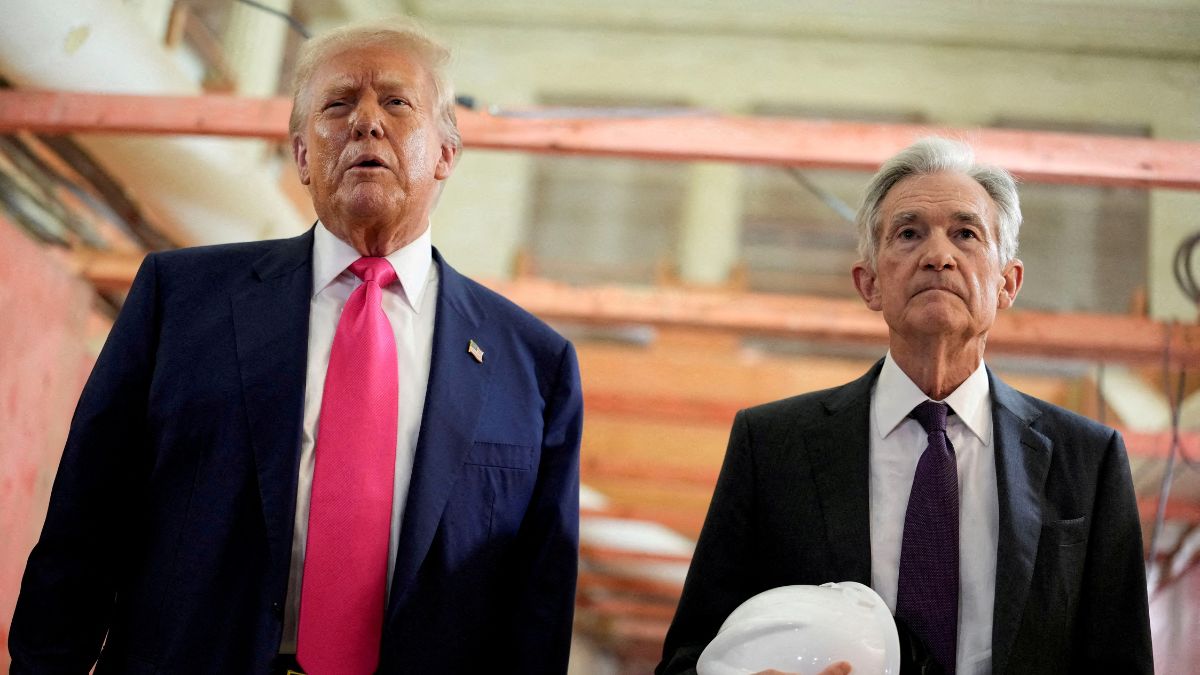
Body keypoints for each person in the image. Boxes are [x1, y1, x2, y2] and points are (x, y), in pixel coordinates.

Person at [10, 19, 583, 675]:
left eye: (396, 102)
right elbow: (86, 526)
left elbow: (537, 610)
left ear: (447, 151)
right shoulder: (180, 301)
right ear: (304, 155)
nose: (367, 123)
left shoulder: (534, 366)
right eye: (338, 104)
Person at [658, 137, 1152, 675]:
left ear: (1007, 283)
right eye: (909, 233)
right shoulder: (772, 444)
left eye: (965, 234)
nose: (938, 256)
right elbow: (690, 655)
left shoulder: (1088, 459)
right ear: (869, 283)